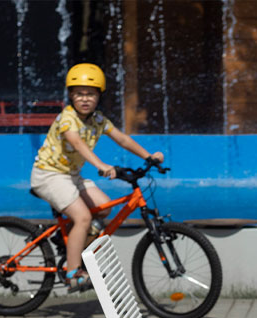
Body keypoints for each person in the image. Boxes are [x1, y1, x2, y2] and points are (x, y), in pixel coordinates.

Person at [30, 63, 163, 291]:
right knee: (83, 218)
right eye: (79, 93)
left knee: (103, 207)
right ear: (71, 95)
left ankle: (71, 240)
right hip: (49, 175)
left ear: (99, 96)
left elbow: (122, 139)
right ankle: (73, 273)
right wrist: (100, 165)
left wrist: (149, 156)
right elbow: (76, 142)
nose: (84, 99)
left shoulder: (98, 120)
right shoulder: (67, 118)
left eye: (90, 94)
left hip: (71, 176)